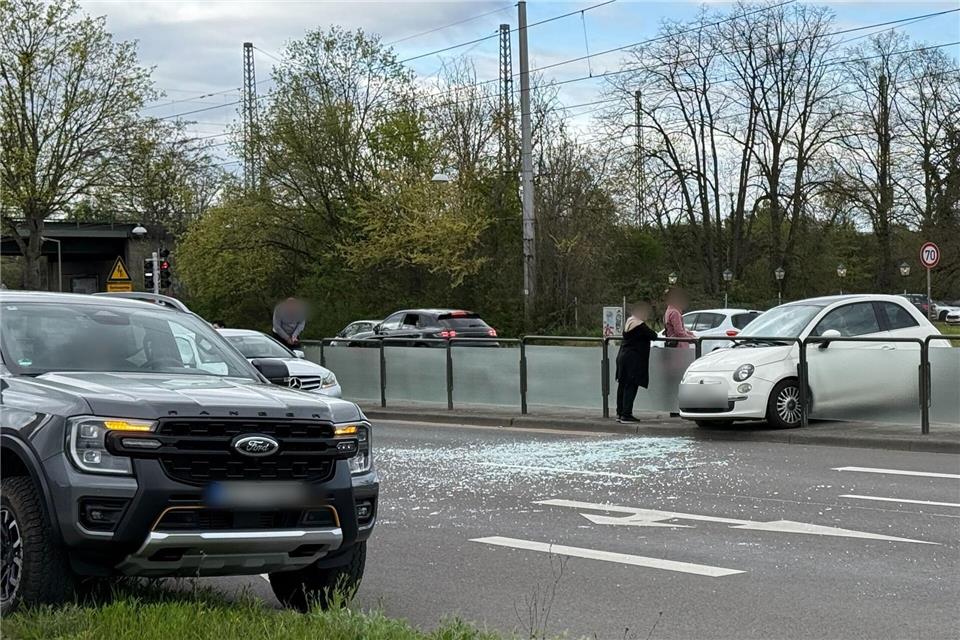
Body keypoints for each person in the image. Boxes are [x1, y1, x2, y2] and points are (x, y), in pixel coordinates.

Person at [615, 302, 658, 423]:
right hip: (633, 360)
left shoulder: (629, 322)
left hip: (623, 357)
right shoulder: (640, 325)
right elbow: (653, 335)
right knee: (631, 386)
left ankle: (619, 412)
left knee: (622, 385)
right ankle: (626, 414)